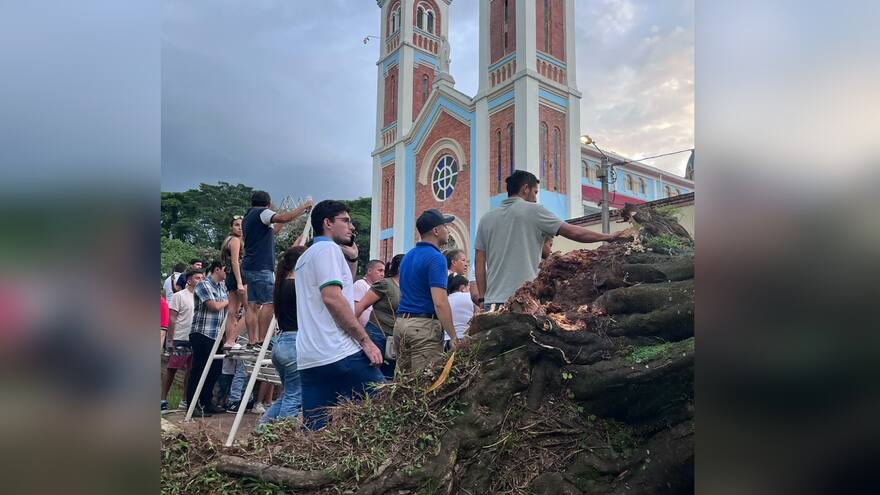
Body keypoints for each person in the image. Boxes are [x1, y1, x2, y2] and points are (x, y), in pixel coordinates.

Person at [474, 170, 631, 311]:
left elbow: (479, 260)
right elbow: (574, 233)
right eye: (535, 192)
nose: (535, 198)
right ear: (525, 189)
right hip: (522, 300)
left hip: (492, 303)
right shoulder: (533, 210)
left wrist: (482, 297)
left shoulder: (486, 219)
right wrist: (608, 237)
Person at [295, 200, 384, 430]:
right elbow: (333, 298)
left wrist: (352, 257)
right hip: (339, 351)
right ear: (327, 223)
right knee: (387, 405)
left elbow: (344, 288)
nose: (351, 227)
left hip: (310, 357)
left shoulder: (305, 257)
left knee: (315, 432)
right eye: (345, 221)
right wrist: (365, 340)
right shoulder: (328, 249)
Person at [241, 191, 312, 348]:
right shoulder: (262, 212)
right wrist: (304, 207)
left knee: (252, 305)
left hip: (249, 265)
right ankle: (262, 340)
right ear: (268, 204)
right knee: (270, 302)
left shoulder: (248, 217)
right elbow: (286, 218)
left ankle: (252, 340)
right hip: (261, 266)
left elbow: (274, 231)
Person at [394, 209, 459, 377]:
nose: (448, 230)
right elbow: (440, 302)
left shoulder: (408, 256)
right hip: (423, 329)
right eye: (445, 226)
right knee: (423, 386)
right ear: (436, 231)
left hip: (401, 324)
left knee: (403, 385)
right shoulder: (436, 258)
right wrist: (453, 336)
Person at [258, 245, 307, 425]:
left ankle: (263, 429)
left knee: (287, 394)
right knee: (294, 397)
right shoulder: (299, 286)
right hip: (295, 345)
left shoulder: (282, 284)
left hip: (282, 343)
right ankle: (282, 435)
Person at [185, 261, 229, 416]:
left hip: (217, 336)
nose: (226, 274)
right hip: (202, 333)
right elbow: (214, 306)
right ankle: (192, 405)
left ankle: (206, 402)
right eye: (225, 270)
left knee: (215, 369)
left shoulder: (222, 287)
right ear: (217, 269)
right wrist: (229, 301)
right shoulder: (203, 285)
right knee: (199, 369)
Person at [355, 253, 404, 379]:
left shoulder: (407, 287)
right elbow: (361, 306)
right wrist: (352, 331)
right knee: (373, 375)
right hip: (377, 335)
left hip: (394, 339)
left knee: (389, 377)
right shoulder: (385, 284)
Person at [162, 270, 204, 413]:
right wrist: (170, 338)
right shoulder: (179, 296)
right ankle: (163, 398)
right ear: (189, 280)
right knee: (172, 368)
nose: (200, 280)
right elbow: (172, 317)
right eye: (197, 278)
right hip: (180, 337)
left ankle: (185, 399)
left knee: (191, 370)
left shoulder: (201, 297)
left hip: (195, 337)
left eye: (202, 278)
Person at [221, 215, 250, 349]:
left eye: (241, 225)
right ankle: (232, 339)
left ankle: (229, 341)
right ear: (231, 227)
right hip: (237, 277)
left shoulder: (229, 240)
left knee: (233, 310)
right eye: (236, 225)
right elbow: (234, 262)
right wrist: (239, 282)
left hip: (230, 277)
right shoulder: (235, 241)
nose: (239, 228)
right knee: (250, 309)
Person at [444, 274, 474, 350]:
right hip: (465, 339)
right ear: (463, 288)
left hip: (447, 340)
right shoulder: (469, 297)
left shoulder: (445, 300)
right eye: (469, 287)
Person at [353, 259, 385, 327]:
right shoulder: (360, 284)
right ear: (369, 271)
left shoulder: (377, 288)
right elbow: (355, 309)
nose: (382, 274)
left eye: (383, 271)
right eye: (380, 270)